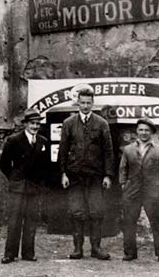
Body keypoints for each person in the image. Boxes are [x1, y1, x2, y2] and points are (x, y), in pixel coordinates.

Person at [58, 87, 114, 260]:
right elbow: (63, 150)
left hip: (95, 176)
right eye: (82, 103)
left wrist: (108, 175)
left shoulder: (102, 123)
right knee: (77, 211)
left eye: (88, 103)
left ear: (93, 103)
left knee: (96, 212)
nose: (85, 106)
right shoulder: (69, 123)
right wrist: (63, 173)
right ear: (78, 103)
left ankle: (96, 248)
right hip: (75, 176)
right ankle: (78, 249)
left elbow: (108, 151)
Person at [0, 108, 49, 264]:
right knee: (14, 221)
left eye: (37, 124)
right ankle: (10, 254)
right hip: (18, 188)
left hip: (34, 188)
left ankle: (28, 253)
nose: (35, 126)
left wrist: (39, 182)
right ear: (25, 124)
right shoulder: (14, 140)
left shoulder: (42, 142)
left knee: (31, 220)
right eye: (32, 123)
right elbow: (4, 164)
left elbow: (45, 166)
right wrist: (14, 179)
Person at [119, 118, 159, 264]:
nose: (143, 133)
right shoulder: (128, 149)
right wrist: (123, 184)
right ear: (137, 131)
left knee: (157, 222)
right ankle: (130, 253)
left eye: (147, 130)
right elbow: (123, 168)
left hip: (152, 191)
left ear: (152, 133)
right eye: (141, 130)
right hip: (132, 190)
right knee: (129, 221)